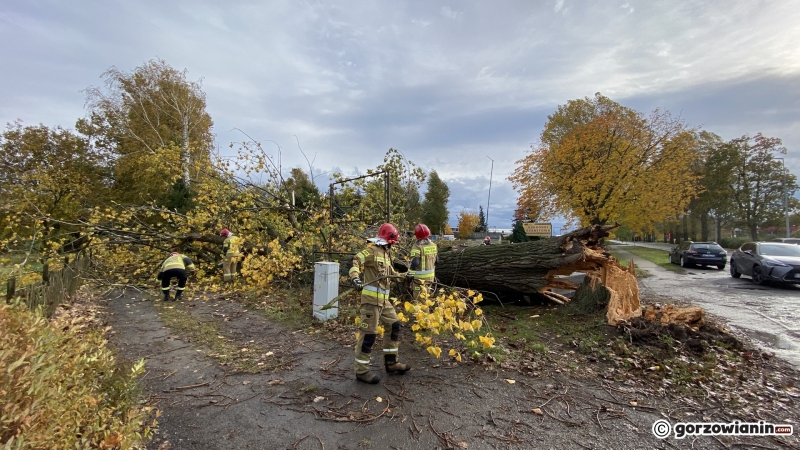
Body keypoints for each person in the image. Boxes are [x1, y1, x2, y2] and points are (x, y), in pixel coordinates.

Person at [349, 223, 411, 384]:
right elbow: (356, 259)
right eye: (393, 242)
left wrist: (406, 276)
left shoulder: (385, 254)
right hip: (371, 302)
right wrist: (355, 277)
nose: (393, 245)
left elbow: (392, 275)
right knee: (369, 334)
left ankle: (392, 363)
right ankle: (361, 371)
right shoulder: (371, 251)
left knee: (394, 325)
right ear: (388, 240)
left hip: (384, 302)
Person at [409, 223, 438, 301]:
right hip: (430, 279)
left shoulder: (417, 246)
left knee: (419, 301)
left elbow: (415, 263)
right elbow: (437, 261)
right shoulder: (433, 245)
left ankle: (424, 313)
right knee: (426, 299)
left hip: (419, 280)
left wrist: (409, 275)